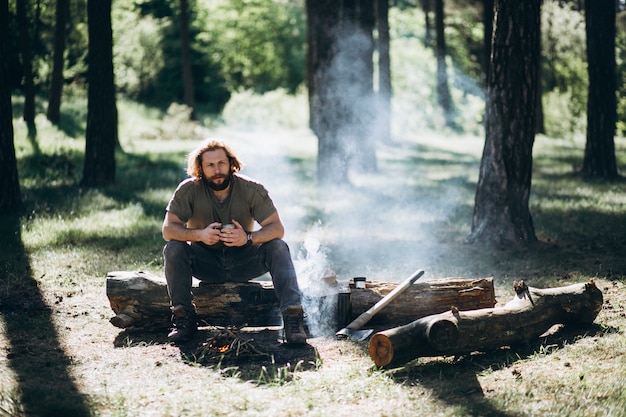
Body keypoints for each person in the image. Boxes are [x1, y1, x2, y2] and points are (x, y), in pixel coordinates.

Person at [161, 138, 307, 344]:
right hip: (205, 263)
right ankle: (183, 319)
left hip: (243, 262)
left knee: (278, 246)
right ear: (200, 168)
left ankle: (293, 320)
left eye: (221, 163)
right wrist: (200, 235)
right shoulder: (188, 190)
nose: (217, 169)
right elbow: (168, 229)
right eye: (210, 165)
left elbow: (277, 228)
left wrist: (248, 238)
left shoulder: (251, 189)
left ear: (231, 163)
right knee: (174, 248)